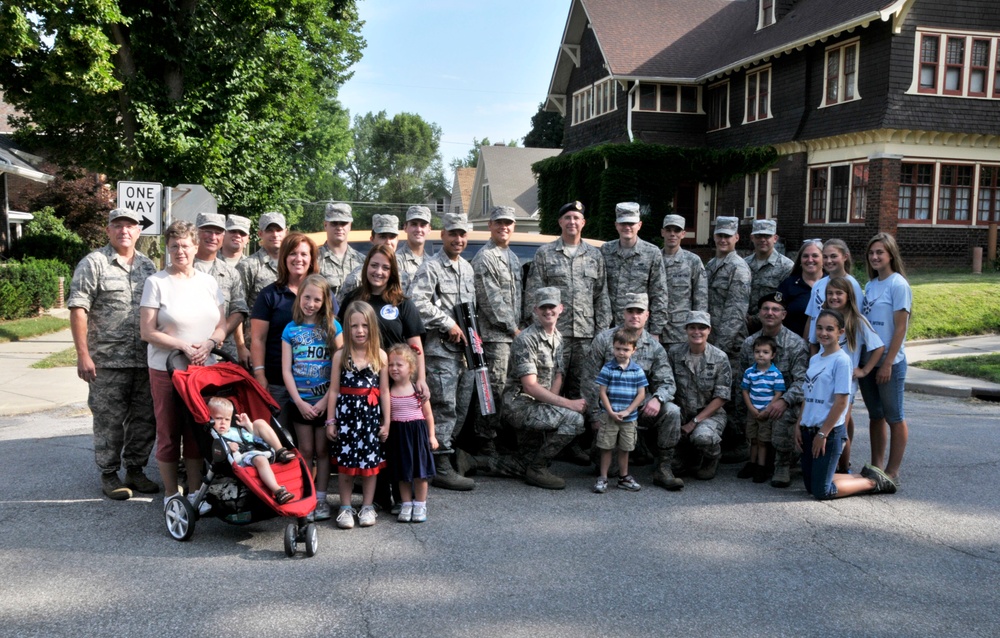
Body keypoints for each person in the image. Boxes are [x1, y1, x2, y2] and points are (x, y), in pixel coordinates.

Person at [68, 207, 159, 500]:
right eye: (118, 226)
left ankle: (136, 469)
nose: (124, 231)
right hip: (107, 361)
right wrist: (83, 354)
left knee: (145, 419)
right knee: (109, 421)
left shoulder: (148, 266)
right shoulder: (93, 263)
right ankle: (109, 474)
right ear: (108, 230)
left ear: (138, 231)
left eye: (130, 226)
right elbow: (78, 309)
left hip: (144, 359)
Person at [140, 220, 227, 508]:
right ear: (168, 248)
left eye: (186, 245)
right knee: (169, 432)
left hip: (202, 370)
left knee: (196, 431)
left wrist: (210, 344)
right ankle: (170, 494)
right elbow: (147, 332)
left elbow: (221, 325)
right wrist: (181, 346)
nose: (180, 251)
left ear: (195, 247)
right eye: (174, 246)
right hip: (166, 370)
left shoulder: (209, 282)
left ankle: (193, 491)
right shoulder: (156, 283)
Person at [339, 243, 429, 512]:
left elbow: (416, 346)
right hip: (364, 384)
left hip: (397, 382)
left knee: (396, 438)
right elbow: (340, 335)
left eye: (385, 267)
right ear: (366, 267)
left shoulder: (403, 303)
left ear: (393, 272)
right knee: (374, 437)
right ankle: (377, 498)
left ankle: (403, 495)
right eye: (374, 265)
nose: (379, 271)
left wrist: (420, 379)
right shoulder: (354, 299)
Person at [581, 293, 682, 491]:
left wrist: (658, 399)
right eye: (630, 311)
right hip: (610, 410)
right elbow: (589, 381)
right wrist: (595, 417)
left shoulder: (655, 347)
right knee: (609, 471)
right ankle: (633, 452)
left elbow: (667, 383)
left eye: (639, 312)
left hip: (640, 407)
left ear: (647, 315)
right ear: (623, 313)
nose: (634, 315)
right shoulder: (604, 340)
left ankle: (664, 467)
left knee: (672, 411)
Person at [796, 309, 897, 500]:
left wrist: (823, 433)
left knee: (822, 491)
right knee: (810, 487)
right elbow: (807, 395)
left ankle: (873, 482)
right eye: (819, 328)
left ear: (840, 332)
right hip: (809, 429)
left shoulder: (842, 361)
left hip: (829, 432)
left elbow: (841, 402)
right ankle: (863, 475)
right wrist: (798, 425)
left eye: (829, 329)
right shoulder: (815, 358)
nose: (823, 333)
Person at [409, 212, 477, 491]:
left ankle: (448, 453)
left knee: (461, 407)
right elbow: (416, 302)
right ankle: (439, 464)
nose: (458, 239)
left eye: (462, 234)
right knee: (443, 407)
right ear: (443, 235)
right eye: (453, 234)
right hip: (440, 351)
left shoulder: (467, 269)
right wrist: (447, 322)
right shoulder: (431, 267)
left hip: (466, 353)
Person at [524, 201, 611, 402]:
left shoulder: (594, 255)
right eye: (567, 217)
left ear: (583, 223)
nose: (572, 221)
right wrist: (539, 332)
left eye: (576, 218)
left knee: (584, 388)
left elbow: (601, 297)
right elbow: (533, 295)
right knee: (551, 385)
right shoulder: (545, 253)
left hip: (586, 336)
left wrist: (601, 334)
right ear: (560, 222)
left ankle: (580, 429)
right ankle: (554, 429)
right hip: (553, 335)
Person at [502, 287, 586, 489]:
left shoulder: (557, 337)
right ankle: (538, 469)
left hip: (539, 404)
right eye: (543, 308)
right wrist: (567, 405)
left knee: (523, 461)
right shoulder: (526, 339)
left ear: (561, 308)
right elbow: (530, 386)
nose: (548, 311)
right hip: (519, 406)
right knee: (575, 419)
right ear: (535, 310)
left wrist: (553, 408)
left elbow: (558, 375)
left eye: (552, 307)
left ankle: (470, 461)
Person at [281, 273, 343, 521]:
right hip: (300, 402)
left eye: (317, 299)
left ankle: (321, 498)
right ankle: (306, 495)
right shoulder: (291, 329)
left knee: (323, 450)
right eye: (307, 297)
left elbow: (340, 366)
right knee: (305, 449)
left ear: (325, 301)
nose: (311, 303)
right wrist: (298, 402)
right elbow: (286, 369)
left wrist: (325, 401)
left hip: (325, 402)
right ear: (299, 297)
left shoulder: (332, 327)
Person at [807, 276, 884, 473]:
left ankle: (843, 468)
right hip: (822, 381)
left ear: (848, 296)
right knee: (825, 421)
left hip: (845, 382)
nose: (834, 297)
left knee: (840, 426)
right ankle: (824, 463)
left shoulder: (856, 320)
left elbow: (878, 347)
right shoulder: (822, 318)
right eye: (830, 293)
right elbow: (813, 343)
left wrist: (864, 370)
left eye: (839, 293)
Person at [326, 301, 391, 529]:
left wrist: (387, 422)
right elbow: (333, 390)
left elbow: (384, 392)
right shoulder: (341, 356)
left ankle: (367, 505)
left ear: (372, 327)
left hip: (370, 420)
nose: (360, 331)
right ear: (348, 327)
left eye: (364, 325)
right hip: (346, 419)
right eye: (354, 326)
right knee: (346, 465)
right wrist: (331, 420)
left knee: (369, 466)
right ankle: (345, 507)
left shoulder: (380, 356)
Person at [736, 293, 809, 488]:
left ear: (783, 314)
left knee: (781, 414)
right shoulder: (749, 344)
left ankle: (782, 465)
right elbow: (741, 380)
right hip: (755, 403)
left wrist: (784, 400)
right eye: (765, 309)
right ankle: (754, 461)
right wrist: (744, 409)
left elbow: (802, 381)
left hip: (784, 403)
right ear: (759, 314)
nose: (770, 313)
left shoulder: (795, 344)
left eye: (775, 309)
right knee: (745, 417)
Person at [859, 233, 912, 488]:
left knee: (894, 416)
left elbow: (900, 328)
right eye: (872, 253)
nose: (875, 257)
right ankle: (876, 466)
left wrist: (888, 363)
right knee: (875, 415)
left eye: (880, 252)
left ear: (891, 254)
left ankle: (893, 471)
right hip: (869, 360)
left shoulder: (898, 284)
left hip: (890, 362)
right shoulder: (871, 285)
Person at [470, 205, 522, 462]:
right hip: (495, 337)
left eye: (508, 223)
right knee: (492, 389)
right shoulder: (485, 258)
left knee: (509, 389)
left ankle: (503, 437)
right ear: (489, 225)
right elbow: (491, 302)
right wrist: (514, 328)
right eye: (499, 222)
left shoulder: (511, 257)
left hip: (513, 336)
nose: (504, 227)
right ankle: (485, 439)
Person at [249, 233, 319, 407]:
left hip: (316, 386)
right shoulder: (269, 295)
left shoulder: (323, 294)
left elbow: (334, 334)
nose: (298, 259)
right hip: (276, 382)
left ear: (311, 259)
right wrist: (259, 374)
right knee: (278, 434)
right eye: (293, 253)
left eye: (304, 254)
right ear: (284, 258)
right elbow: (258, 339)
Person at [666, 311, 731, 480]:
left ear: (709, 330)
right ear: (686, 330)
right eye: (692, 327)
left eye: (702, 328)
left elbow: (722, 396)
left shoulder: (719, 357)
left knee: (702, 437)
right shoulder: (674, 353)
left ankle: (712, 457)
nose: (697, 332)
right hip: (682, 411)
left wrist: (694, 422)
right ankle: (685, 456)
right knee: (674, 467)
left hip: (709, 414)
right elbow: (667, 384)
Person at [706, 216, 751, 461]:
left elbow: (736, 313)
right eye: (719, 235)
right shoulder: (712, 264)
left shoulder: (738, 268)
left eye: (728, 236)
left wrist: (717, 349)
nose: (723, 240)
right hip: (710, 341)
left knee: (732, 396)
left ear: (736, 238)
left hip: (729, 346)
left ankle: (740, 445)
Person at [207, 396, 296, 504]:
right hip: (245, 460)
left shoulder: (235, 430)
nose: (223, 423)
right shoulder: (215, 438)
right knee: (260, 459)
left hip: (261, 451)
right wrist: (227, 448)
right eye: (218, 418)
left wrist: (248, 425)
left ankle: (281, 451)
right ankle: (278, 491)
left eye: (227, 419)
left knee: (259, 422)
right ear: (210, 419)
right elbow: (218, 454)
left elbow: (253, 438)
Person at [601, 202, 669, 340]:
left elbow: (659, 293)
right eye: (623, 223)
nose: (627, 227)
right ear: (616, 225)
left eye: (631, 223)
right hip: (610, 327)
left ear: (639, 225)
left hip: (641, 328)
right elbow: (600, 291)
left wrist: (655, 331)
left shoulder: (652, 252)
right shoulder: (605, 251)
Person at [386, 343, 438, 523]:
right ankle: (406, 504)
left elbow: (428, 415)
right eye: (391, 365)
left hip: (417, 435)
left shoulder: (418, 389)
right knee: (402, 473)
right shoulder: (388, 390)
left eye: (399, 365)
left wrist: (432, 436)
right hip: (398, 435)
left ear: (411, 368)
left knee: (420, 473)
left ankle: (420, 504)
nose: (394, 368)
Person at [593, 329, 647, 494]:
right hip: (609, 416)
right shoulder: (608, 369)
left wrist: (628, 411)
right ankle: (603, 477)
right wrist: (609, 411)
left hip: (629, 418)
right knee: (606, 447)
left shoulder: (637, 370)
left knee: (625, 448)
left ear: (633, 350)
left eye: (625, 349)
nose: (621, 353)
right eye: (618, 349)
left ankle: (624, 477)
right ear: (613, 348)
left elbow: (641, 394)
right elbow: (602, 392)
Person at [192, 213, 249, 363]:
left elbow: (239, 311)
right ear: (196, 233)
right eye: (207, 231)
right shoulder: (181, 268)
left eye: (218, 233)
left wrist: (218, 335)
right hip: (190, 350)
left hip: (223, 355)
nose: (213, 237)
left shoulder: (231, 273)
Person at [739, 335, 786, 483]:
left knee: (763, 441)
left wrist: (768, 409)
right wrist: (751, 408)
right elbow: (745, 390)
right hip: (753, 412)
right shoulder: (749, 372)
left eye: (765, 352)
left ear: (772, 355)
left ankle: (761, 467)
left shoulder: (775, 374)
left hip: (766, 413)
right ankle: (751, 464)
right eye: (757, 351)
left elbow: (779, 393)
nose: (761, 354)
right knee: (752, 439)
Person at [237, 212, 286, 347]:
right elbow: (238, 310)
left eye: (279, 230)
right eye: (269, 230)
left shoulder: (293, 263)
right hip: (256, 342)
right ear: (260, 234)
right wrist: (241, 346)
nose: (275, 234)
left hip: (288, 340)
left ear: (286, 232)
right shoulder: (248, 265)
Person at [660, 214, 707, 346]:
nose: (672, 234)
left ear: (683, 234)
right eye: (668, 230)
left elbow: (701, 299)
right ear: (662, 232)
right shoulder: (654, 258)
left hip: (681, 333)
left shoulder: (693, 261)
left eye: (677, 230)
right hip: (656, 331)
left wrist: (697, 330)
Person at [803, 239, 864, 342]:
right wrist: (805, 344)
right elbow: (811, 318)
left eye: (833, 256)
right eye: (825, 257)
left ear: (845, 256)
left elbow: (857, 320)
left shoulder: (852, 285)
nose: (829, 261)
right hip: (816, 344)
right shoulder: (818, 284)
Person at [337, 214, 401, 302]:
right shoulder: (356, 278)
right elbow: (342, 311)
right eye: (382, 237)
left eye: (392, 237)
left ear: (398, 240)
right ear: (372, 239)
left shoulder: (404, 276)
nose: (388, 242)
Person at [745, 219, 794, 335]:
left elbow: (784, 300)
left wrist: (756, 319)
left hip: (771, 327)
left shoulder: (786, 266)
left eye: (767, 236)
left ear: (775, 238)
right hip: (744, 326)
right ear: (752, 238)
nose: (762, 240)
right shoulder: (743, 264)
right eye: (758, 236)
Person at [776, 239, 824, 338]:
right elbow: (776, 313)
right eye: (805, 256)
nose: (810, 260)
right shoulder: (788, 284)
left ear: (823, 259)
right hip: (793, 346)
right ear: (800, 260)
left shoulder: (832, 284)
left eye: (815, 256)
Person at [318, 202, 365, 298]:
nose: (339, 228)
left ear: (350, 226)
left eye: (343, 223)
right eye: (334, 223)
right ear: (325, 225)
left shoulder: (362, 261)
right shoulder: (314, 259)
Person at [396, 205, 434, 292]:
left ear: (429, 229)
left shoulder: (432, 262)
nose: (418, 229)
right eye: (414, 224)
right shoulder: (396, 261)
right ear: (405, 227)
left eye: (423, 225)